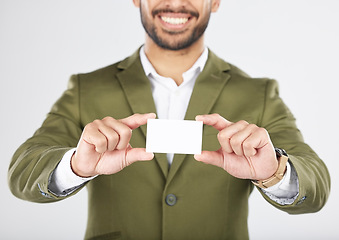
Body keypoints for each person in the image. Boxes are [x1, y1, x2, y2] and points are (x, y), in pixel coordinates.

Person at [8, 0, 330, 239]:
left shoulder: (257, 93)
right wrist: (76, 165)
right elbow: (22, 171)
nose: (175, 3)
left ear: (215, 2)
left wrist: (274, 172)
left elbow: (317, 184)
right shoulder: (86, 89)